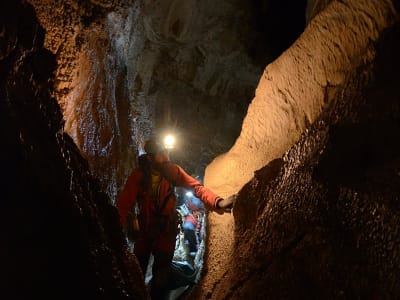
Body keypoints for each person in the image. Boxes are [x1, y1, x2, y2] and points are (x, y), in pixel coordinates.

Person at [116, 139, 233, 299]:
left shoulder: (172, 172)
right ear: (150, 158)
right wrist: (114, 231)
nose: (167, 157)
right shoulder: (139, 176)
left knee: (161, 279)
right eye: (161, 154)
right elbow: (123, 203)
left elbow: (196, 188)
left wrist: (218, 201)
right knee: (136, 275)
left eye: (167, 152)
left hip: (166, 234)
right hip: (145, 233)